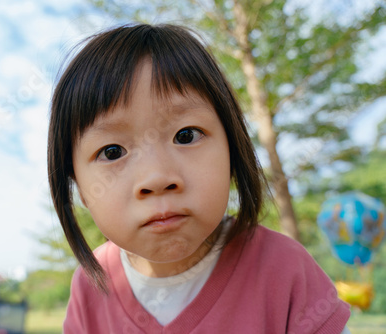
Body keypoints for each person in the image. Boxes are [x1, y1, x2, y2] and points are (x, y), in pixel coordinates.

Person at [47, 23, 351, 333]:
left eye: (186, 135)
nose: (156, 178)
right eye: (112, 152)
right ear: (79, 188)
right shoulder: (89, 289)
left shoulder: (284, 270)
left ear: (232, 149)